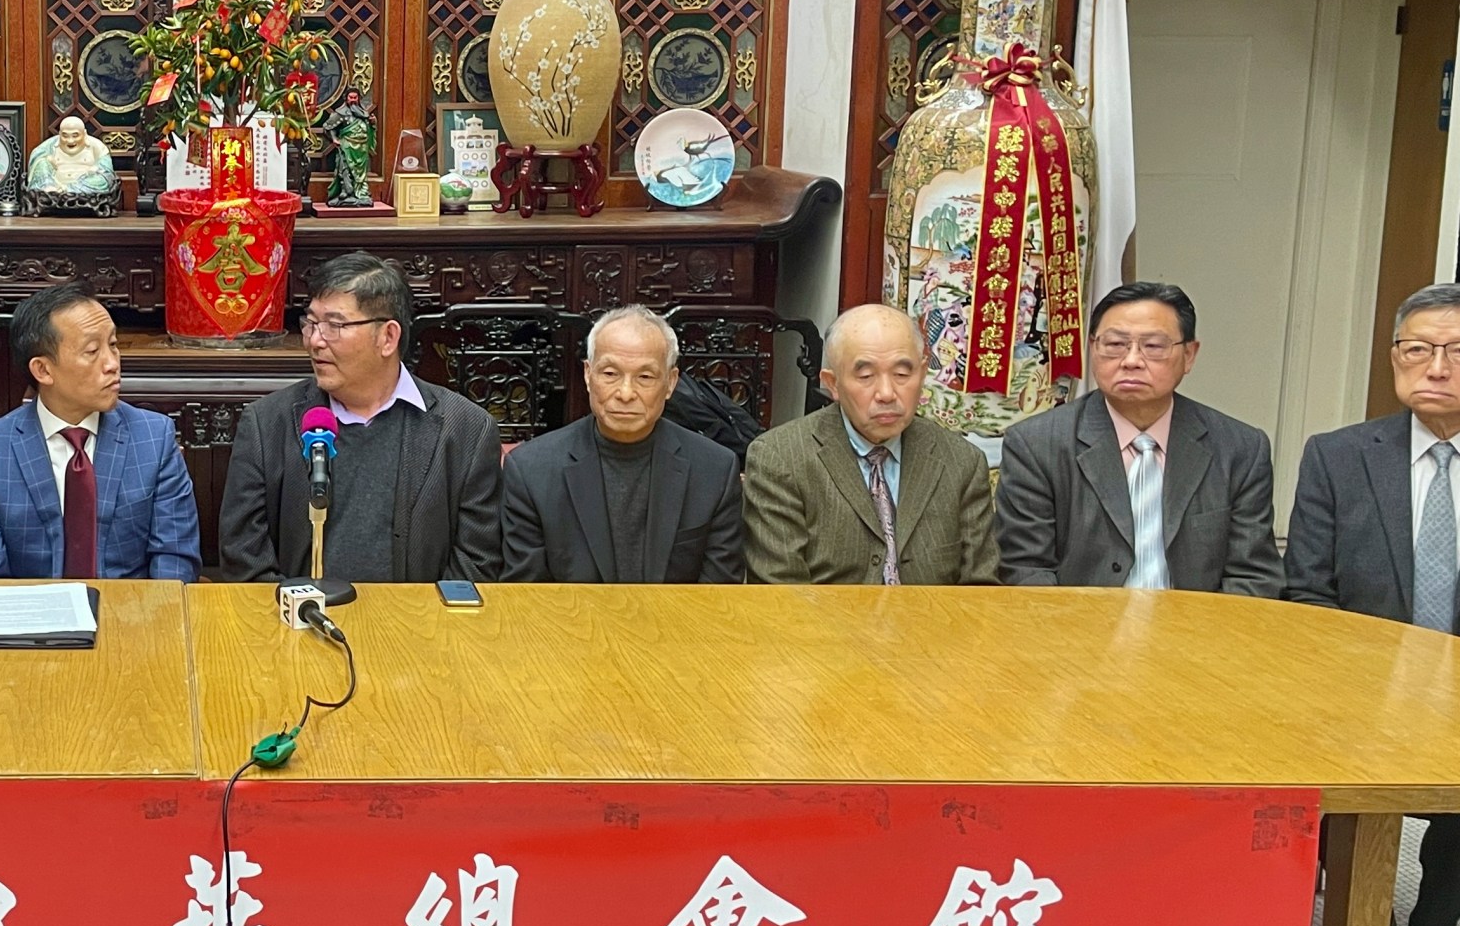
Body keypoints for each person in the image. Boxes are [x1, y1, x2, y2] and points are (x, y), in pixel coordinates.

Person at [1286, 282, 1460, 926]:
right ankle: (1365, 918)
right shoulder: (1338, 457)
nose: (1436, 367)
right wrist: (1341, 693)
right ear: (1394, 358)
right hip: (1357, 687)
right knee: (1336, 790)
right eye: (1417, 348)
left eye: (1455, 351)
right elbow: (1307, 596)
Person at [219, 252, 503, 583]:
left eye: (335, 326)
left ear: (388, 337)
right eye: (311, 323)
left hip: (419, 628)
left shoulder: (466, 429)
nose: (314, 341)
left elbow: (477, 563)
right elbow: (243, 558)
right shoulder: (267, 423)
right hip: (295, 625)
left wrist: (418, 625)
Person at [995, 281, 1282, 595]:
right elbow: (1026, 572)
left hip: (1199, 636)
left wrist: (1203, 643)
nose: (1131, 360)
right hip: (1076, 634)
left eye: (1153, 346)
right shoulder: (1037, 445)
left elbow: (1253, 577)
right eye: (1115, 344)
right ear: (1092, 348)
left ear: (1189, 355)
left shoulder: (1240, 448)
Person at [0, 282, 199, 580]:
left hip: (134, 616)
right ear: (43, 370)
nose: (112, 364)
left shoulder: (153, 437)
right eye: (92, 351)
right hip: (30, 619)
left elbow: (175, 561)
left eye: (114, 344)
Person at [742, 303, 997, 586]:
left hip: (936, 627)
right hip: (825, 628)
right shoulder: (780, 458)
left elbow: (980, 590)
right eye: (865, 376)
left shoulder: (962, 462)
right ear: (833, 384)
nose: (887, 393)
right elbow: (780, 595)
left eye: (902, 374)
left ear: (923, 373)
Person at [500, 305, 744, 583]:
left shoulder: (715, 470)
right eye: (610, 374)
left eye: (645, 377)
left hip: (678, 624)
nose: (626, 393)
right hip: (570, 623)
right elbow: (527, 597)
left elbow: (718, 597)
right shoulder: (531, 470)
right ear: (588, 375)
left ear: (670, 383)